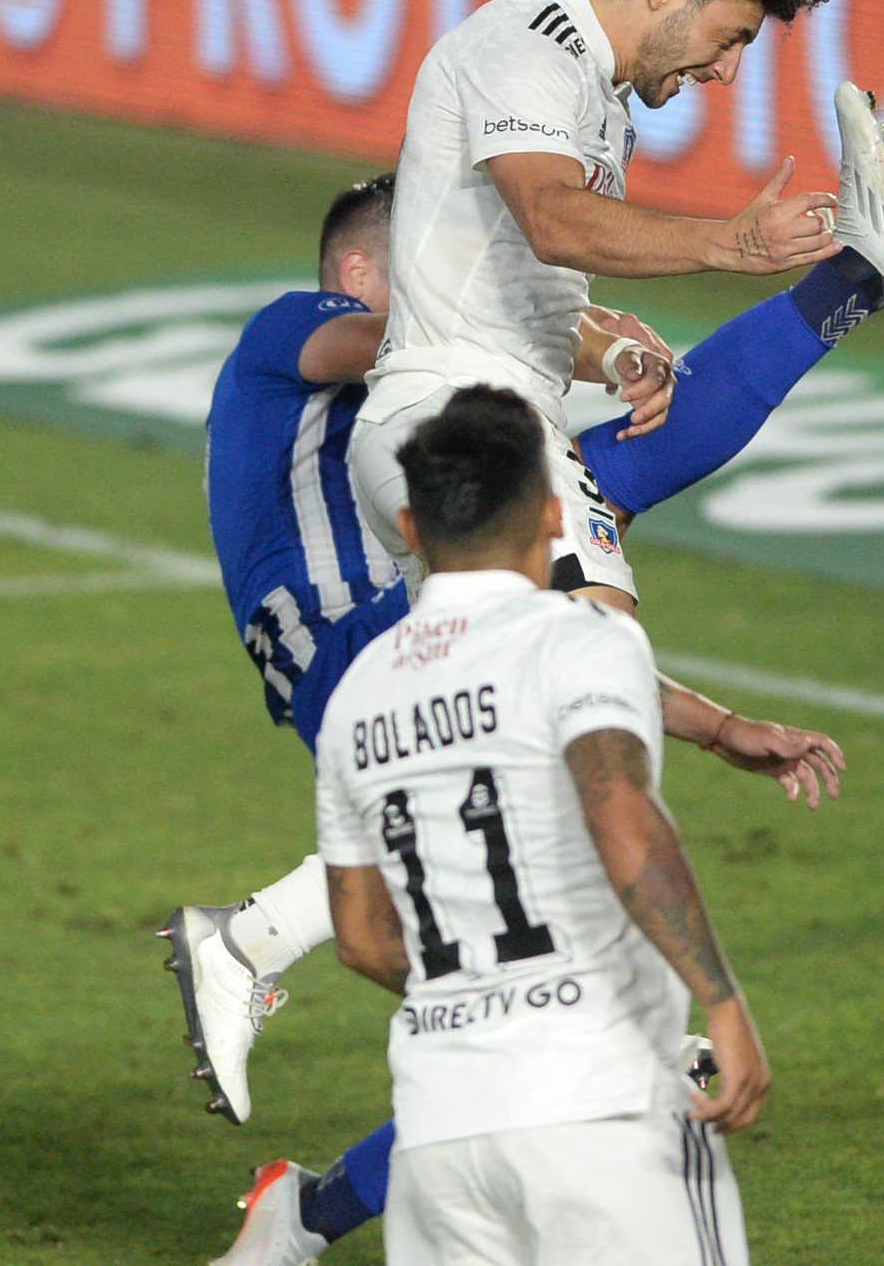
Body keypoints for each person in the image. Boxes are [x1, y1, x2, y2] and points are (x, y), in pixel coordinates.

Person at [177, 171, 870, 1264]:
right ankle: (250, 935)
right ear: (364, 269)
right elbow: (442, 335)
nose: (452, 273)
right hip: (339, 640)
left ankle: (302, 1216)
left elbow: (545, 644)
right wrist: (598, 345)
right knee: (588, 477)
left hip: (386, 658)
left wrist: (712, 723)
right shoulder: (297, 330)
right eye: (428, 253)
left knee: (517, 1049)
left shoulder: (414, 448)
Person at [345, 0, 884, 615]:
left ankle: (854, 281)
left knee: (552, 679)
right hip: (446, 411)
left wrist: (607, 348)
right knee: (593, 652)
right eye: (730, 37)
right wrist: (733, 242)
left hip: (496, 411)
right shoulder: (525, 40)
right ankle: (855, 278)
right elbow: (551, 218)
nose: (725, 73)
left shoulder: (600, 99)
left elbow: (490, 284)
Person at [313, 386, 767, 1266]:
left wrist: (481, 1000)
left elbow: (363, 940)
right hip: (598, 1107)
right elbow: (618, 810)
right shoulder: (579, 637)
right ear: (554, 512)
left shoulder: (358, 695)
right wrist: (720, 996)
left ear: (410, 527)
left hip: (441, 1131)